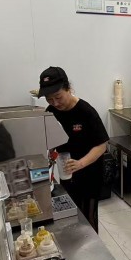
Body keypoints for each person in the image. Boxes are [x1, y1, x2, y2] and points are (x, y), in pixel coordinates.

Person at [38, 66, 108, 232]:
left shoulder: (86, 112)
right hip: (67, 170)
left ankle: (92, 246)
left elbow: (101, 145)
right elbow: (51, 138)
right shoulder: (51, 111)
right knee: (71, 211)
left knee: (88, 216)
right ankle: (76, 243)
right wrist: (49, 155)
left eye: (58, 97)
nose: (55, 103)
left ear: (68, 88)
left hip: (89, 171)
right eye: (49, 99)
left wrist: (80, 164)